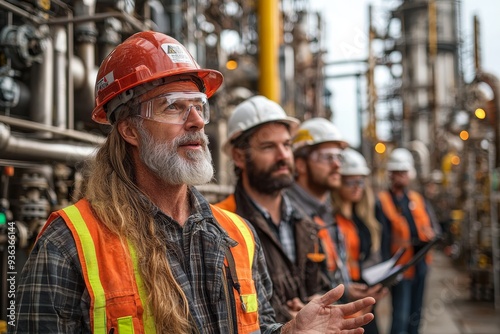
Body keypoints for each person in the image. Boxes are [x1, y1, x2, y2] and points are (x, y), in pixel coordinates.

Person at [13, 31, 375, 334]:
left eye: (199, 105)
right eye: (173, 106)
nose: (197, 121)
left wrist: (288, 331)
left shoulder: (238, 237)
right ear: (129, 129)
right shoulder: (70, 244)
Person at [216, 96, 333, 323]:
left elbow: (323, 283)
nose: (283, 156)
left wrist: (317, 305)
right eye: (269, 146)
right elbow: (223, 306)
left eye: (287, 145)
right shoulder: (222, 223)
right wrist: (286, 323)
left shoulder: (305, 222)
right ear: (239, 156)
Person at [286, 118, 385, 307]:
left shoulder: (326, 213)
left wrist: (347, 291)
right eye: (327, 156)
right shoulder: (288, 214)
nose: (337, 165)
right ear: (300, 165)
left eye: (339, 156)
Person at [376, 147, 436, 334]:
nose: (401, 176)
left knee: (416, 315)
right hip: (400, 269)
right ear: (391, 174)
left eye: (404, 172)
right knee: (400, 317)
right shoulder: (382, 201)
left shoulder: (417, 199)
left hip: (420, 265)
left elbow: (433, 227)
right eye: (397, 172)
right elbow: (382, 239)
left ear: (409, 174)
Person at [331, 148, 386, 334]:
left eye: (361, 181)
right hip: (345, 294)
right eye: (350, 182)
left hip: (365, 291)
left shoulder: (363, 218)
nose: (357, 187)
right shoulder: (331, 221)